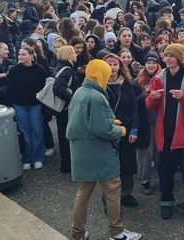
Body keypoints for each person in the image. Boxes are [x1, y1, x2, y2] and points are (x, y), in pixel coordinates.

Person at [67, 59, 141, 240]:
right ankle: (116, 232)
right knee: (113, 190)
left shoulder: (80, 91)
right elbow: (103, 130)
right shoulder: (97, 96)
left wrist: (109, 122)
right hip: (98, 152)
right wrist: (120, 130)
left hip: (81, 151)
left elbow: (85, 121)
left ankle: (77, 233)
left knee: (83, 192)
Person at [145, 44, 184, 226]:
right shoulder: (159, 76)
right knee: (164, 173)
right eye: (166, 55)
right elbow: (149, 104)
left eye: (171, 56)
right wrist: (152, 98)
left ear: (179, 58)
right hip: (165, 136)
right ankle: (166, 202)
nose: (168, 59)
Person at [104, 53, 140, 208]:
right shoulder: (99, 84)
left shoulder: (127, 84)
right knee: (109, 167)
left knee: (127, 164)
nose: (112, 68)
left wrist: (134, 129)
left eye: (115, 64)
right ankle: (108, 199)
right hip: (107, 130)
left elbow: (134, 108)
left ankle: (125, 193)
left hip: (125, 129)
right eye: (109, 64)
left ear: (120, 66)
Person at [6, 46, 48, 170]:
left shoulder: (39, 69)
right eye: (19, 54)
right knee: (24, 132)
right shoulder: (13, 70)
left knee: (37, 131)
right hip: (19, 105)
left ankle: (38, 157)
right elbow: (9, 88)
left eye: (23, 54)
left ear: (31, 55)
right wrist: (11, 103)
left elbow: (44, 88)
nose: (20, 56)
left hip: (36, 104)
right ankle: (26, 158)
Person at [134, 52, 162, 196]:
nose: (151, 65)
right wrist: (146, 96)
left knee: (160, 152)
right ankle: (145, 180)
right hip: (144, 122)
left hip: (160, 120)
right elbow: (132, 102)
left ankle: (162, 177)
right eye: (148, 62)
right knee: (144, 153)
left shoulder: (163, 78)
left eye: (154, 62)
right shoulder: (137, 81)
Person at [51, 45, 82, 173]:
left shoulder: (59, 67)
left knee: (63, 136)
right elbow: (57, 88)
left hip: (61, 109)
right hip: (66, 109)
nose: (76, 54)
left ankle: (66, 164)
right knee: (67, 136)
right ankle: (68, 164)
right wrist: (73, 98)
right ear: (68, 55)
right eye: (73, 52)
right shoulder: (67, 70)